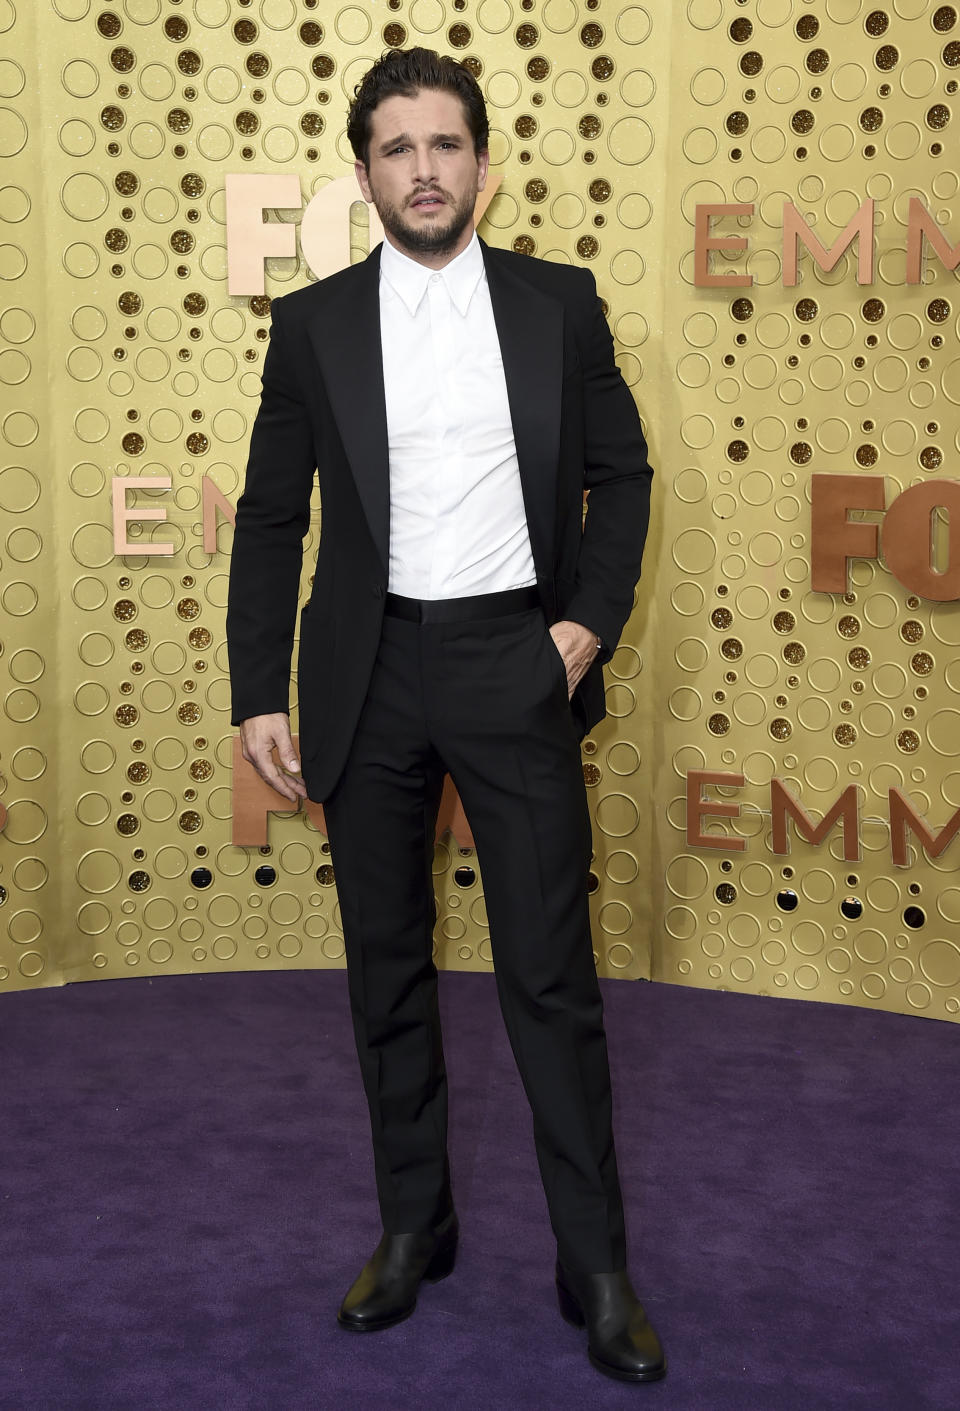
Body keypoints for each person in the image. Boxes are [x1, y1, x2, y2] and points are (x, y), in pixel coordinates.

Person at [226, 47, 664, 1384]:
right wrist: (257, 691)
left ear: (483, 160)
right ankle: (417, 1227)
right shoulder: (311, 328)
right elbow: (271, 519)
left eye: (447, 143)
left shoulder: (559, 306)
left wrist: (585, 624)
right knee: (386, 969)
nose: (425, 168)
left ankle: (594, 1266)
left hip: (511, 661)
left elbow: (625, 475)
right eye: (399, 147)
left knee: (549, 977)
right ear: (365, 172)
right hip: (368, 674)